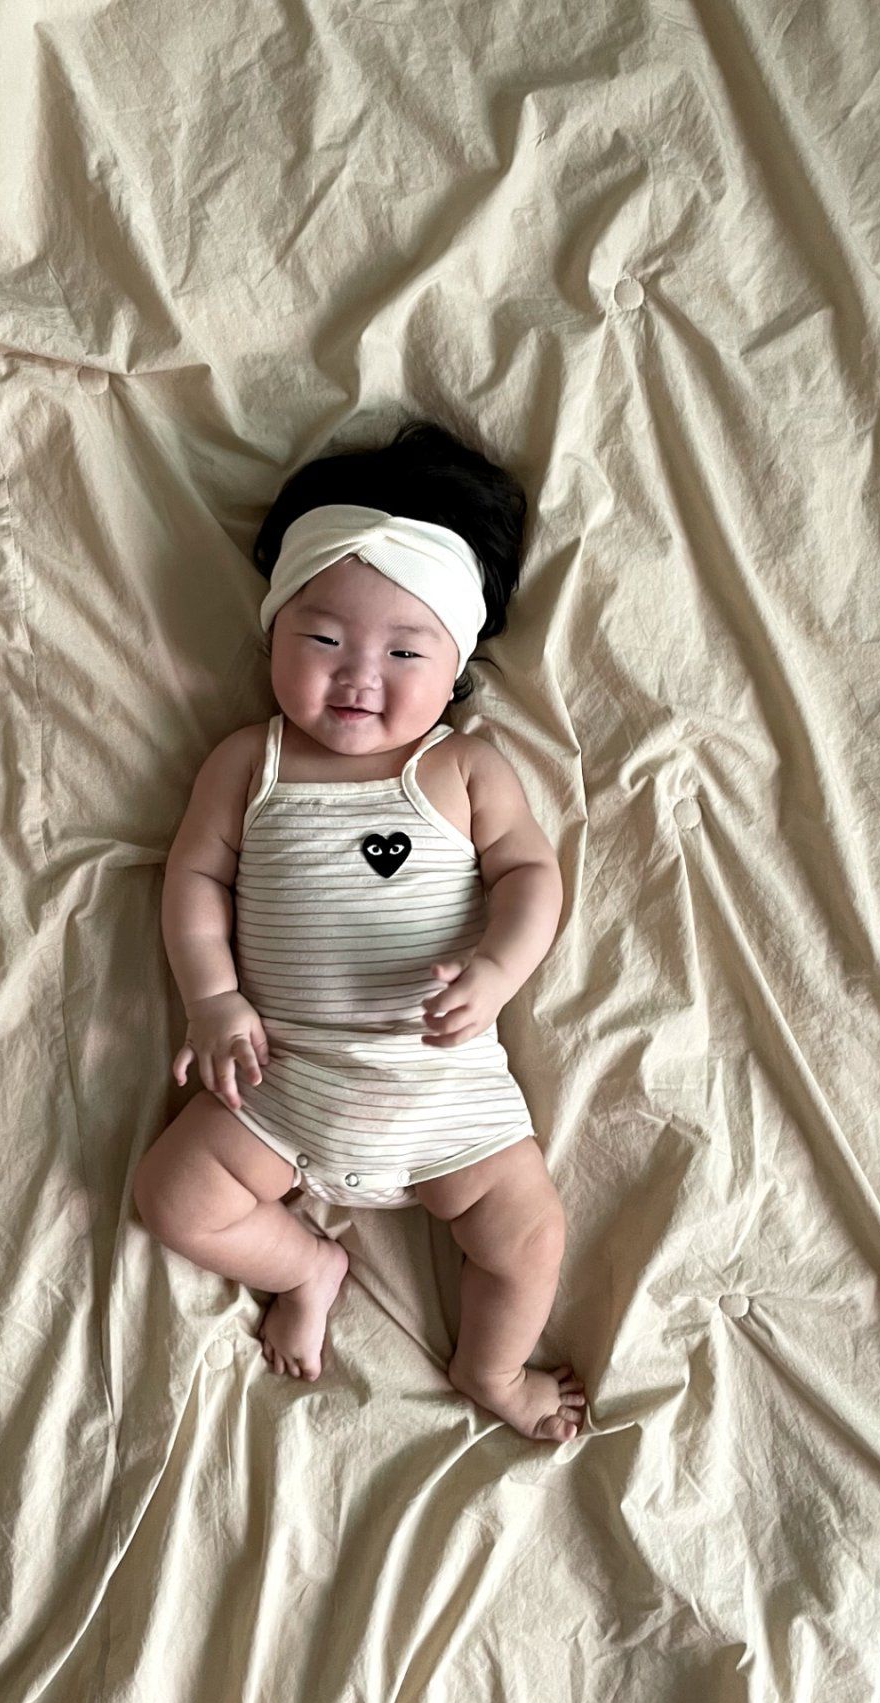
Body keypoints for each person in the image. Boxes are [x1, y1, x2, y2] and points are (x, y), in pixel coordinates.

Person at [132, 418, 587, 1444]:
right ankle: (306, 1266)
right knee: (171, 1197)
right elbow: (195, 877)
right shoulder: (249, 763)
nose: (358, 677)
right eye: (323, 640)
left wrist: (496, 971)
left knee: (529, 1238)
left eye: (404, 651)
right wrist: (213, 998)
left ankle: (492, 1368)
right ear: (273, 635)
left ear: (455, 663)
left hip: (448, 1098)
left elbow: (530, 875)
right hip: (281, 1080)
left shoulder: (460, 768)